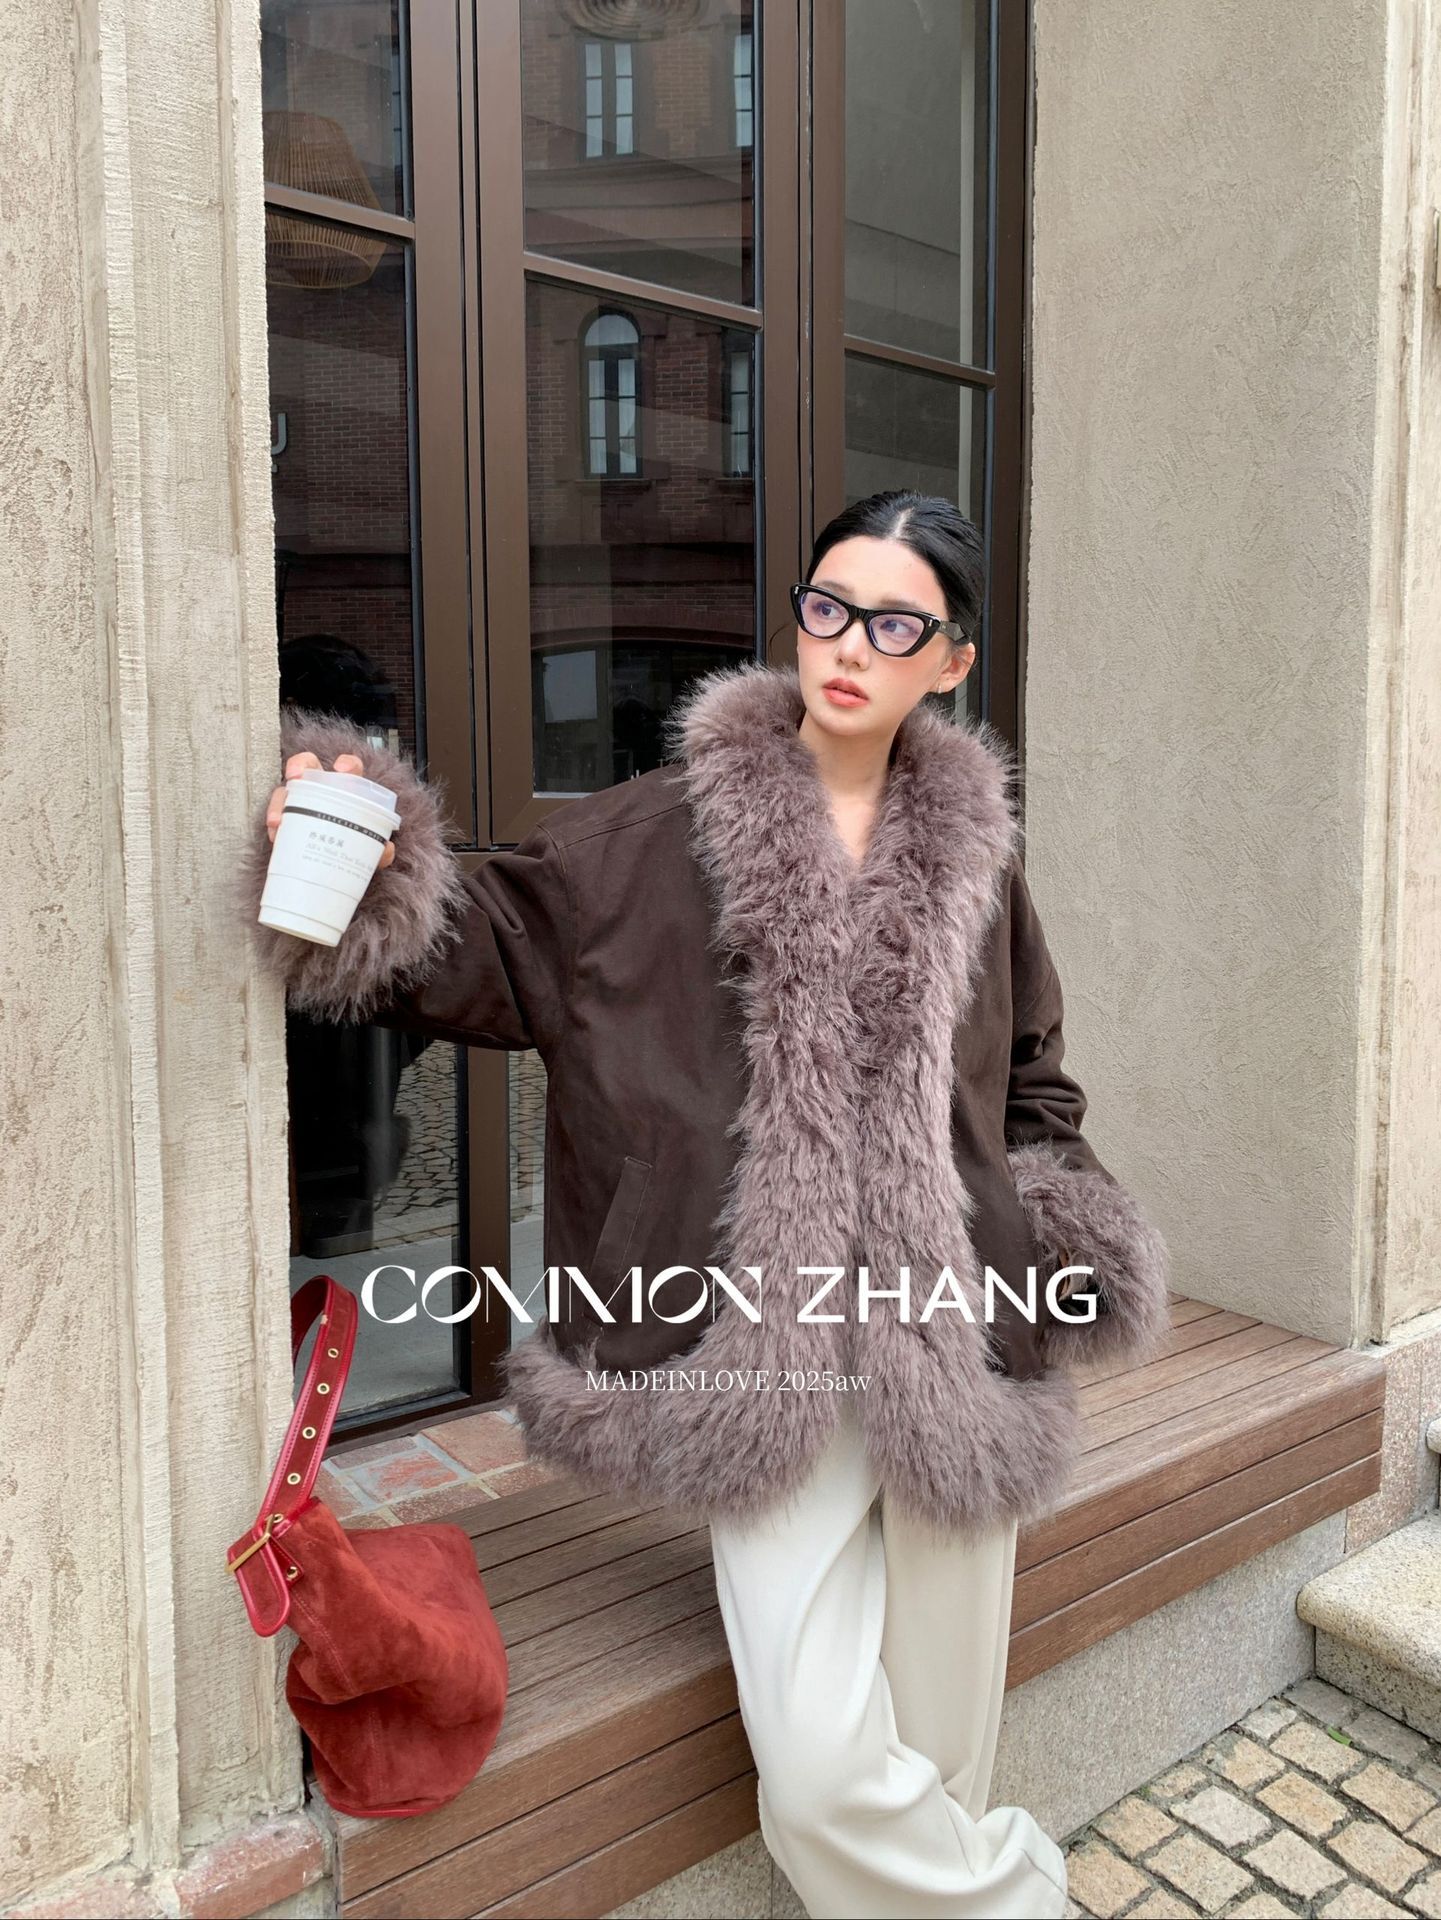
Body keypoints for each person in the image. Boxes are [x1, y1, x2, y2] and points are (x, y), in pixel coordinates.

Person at [241, 490, 1172, 1919]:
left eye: (896, 624)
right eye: (828, 606)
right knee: (818, 1770)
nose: (848, 645)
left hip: (956, 1335)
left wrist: (1053, 1226)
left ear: (951, 661)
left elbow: (1031, 1072)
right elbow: (466, 945)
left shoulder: (979, 862)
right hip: (756, 1346)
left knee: (942, 1736)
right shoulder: (651, 839)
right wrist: (356, 845)